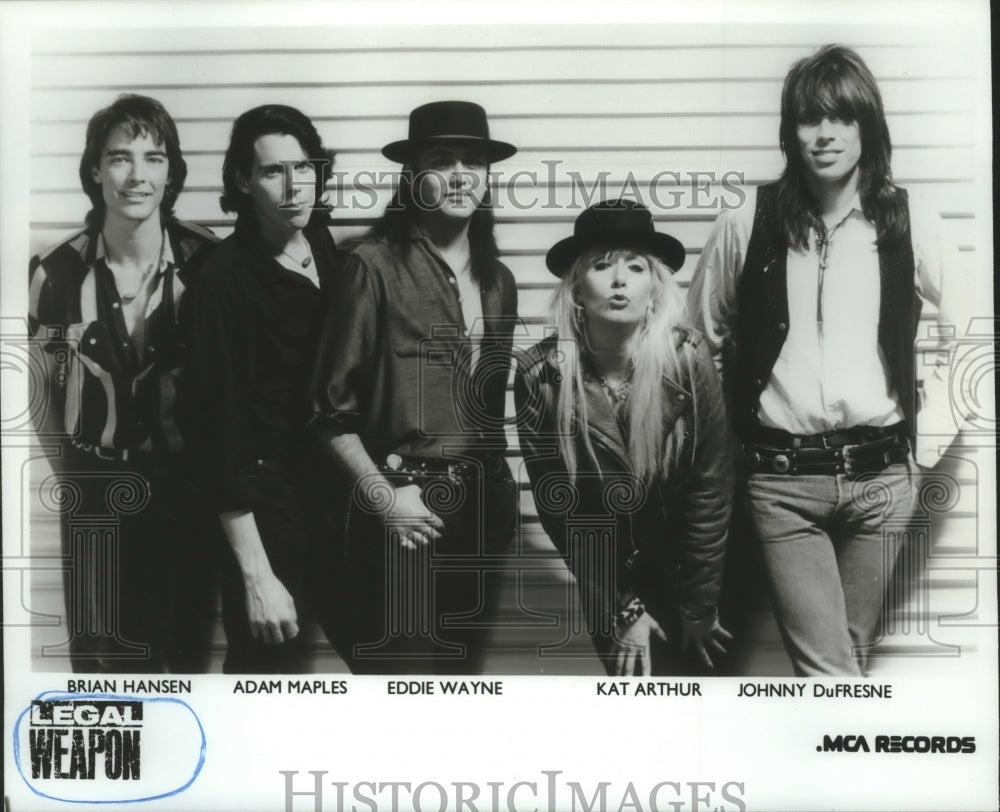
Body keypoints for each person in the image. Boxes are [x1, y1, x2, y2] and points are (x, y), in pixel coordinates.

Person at [686, 45, 969, 676]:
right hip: (780, 481)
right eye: (809, 119)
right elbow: (694, 343)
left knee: (847, 660)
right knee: (831, 674)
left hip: (883, 481)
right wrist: (719, 449)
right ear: (790, 133)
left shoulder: (909, 219)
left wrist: (928, 447)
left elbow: (979, 329)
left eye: (841, 117)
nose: (825, 134)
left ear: (868, 126)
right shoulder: (746, 222)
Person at [310, 100, 519, 674]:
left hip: (479, 516)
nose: (459, 175)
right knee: (402, 688)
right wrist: (386, 500)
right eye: (440, 160)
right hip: (403, 513)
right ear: (412, 176)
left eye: (473, 162)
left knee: (455, 690)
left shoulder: (498, 281)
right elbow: (328, 415)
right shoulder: (371, 267)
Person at [28, 93, 219, 673]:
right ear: (94, 169)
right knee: (101, 665)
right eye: (120, 157)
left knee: (182, 658)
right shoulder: (56, 272)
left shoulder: (209, 263)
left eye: (153, 158)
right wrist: (78, 472)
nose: (137, 175)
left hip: (188, 489)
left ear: (171, 171)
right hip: (94, 491)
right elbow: (37, 392)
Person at [515, 200, 733, 676]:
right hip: (610, 582)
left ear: (653, 289)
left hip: (697, 577)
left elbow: (710, 489)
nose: (619, 281)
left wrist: (698, 606)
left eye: (635, 268)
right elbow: (562, 514)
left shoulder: (686, 359)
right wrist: (624, 608)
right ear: (576, 287)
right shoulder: (539, 376)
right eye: (601, 266)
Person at [186, 105, 340, 673]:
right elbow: (216, 434)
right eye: (274, 171)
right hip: (263, 505)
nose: (294, 185)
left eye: (304, 167)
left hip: (329, 493)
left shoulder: (320, 240)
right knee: (266, 673)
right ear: (242, 180)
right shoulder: (221, 278)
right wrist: (256, 574)